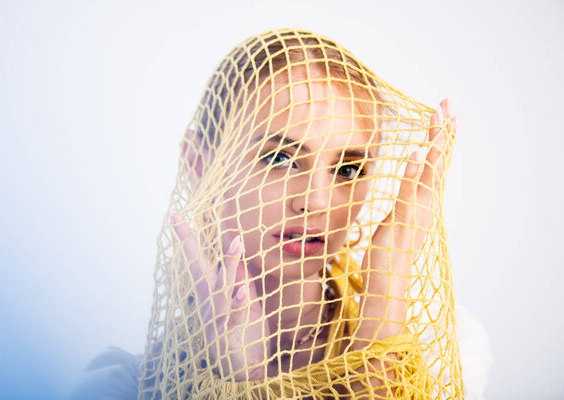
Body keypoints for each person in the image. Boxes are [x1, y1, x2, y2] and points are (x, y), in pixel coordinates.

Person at [71, 29, 492, 400]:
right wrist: (243, 383)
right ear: (199, 165)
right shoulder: (129, 387)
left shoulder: (445, 351)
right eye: (280, 158)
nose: (317, 201)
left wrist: (383, 305)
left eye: (347, 169)